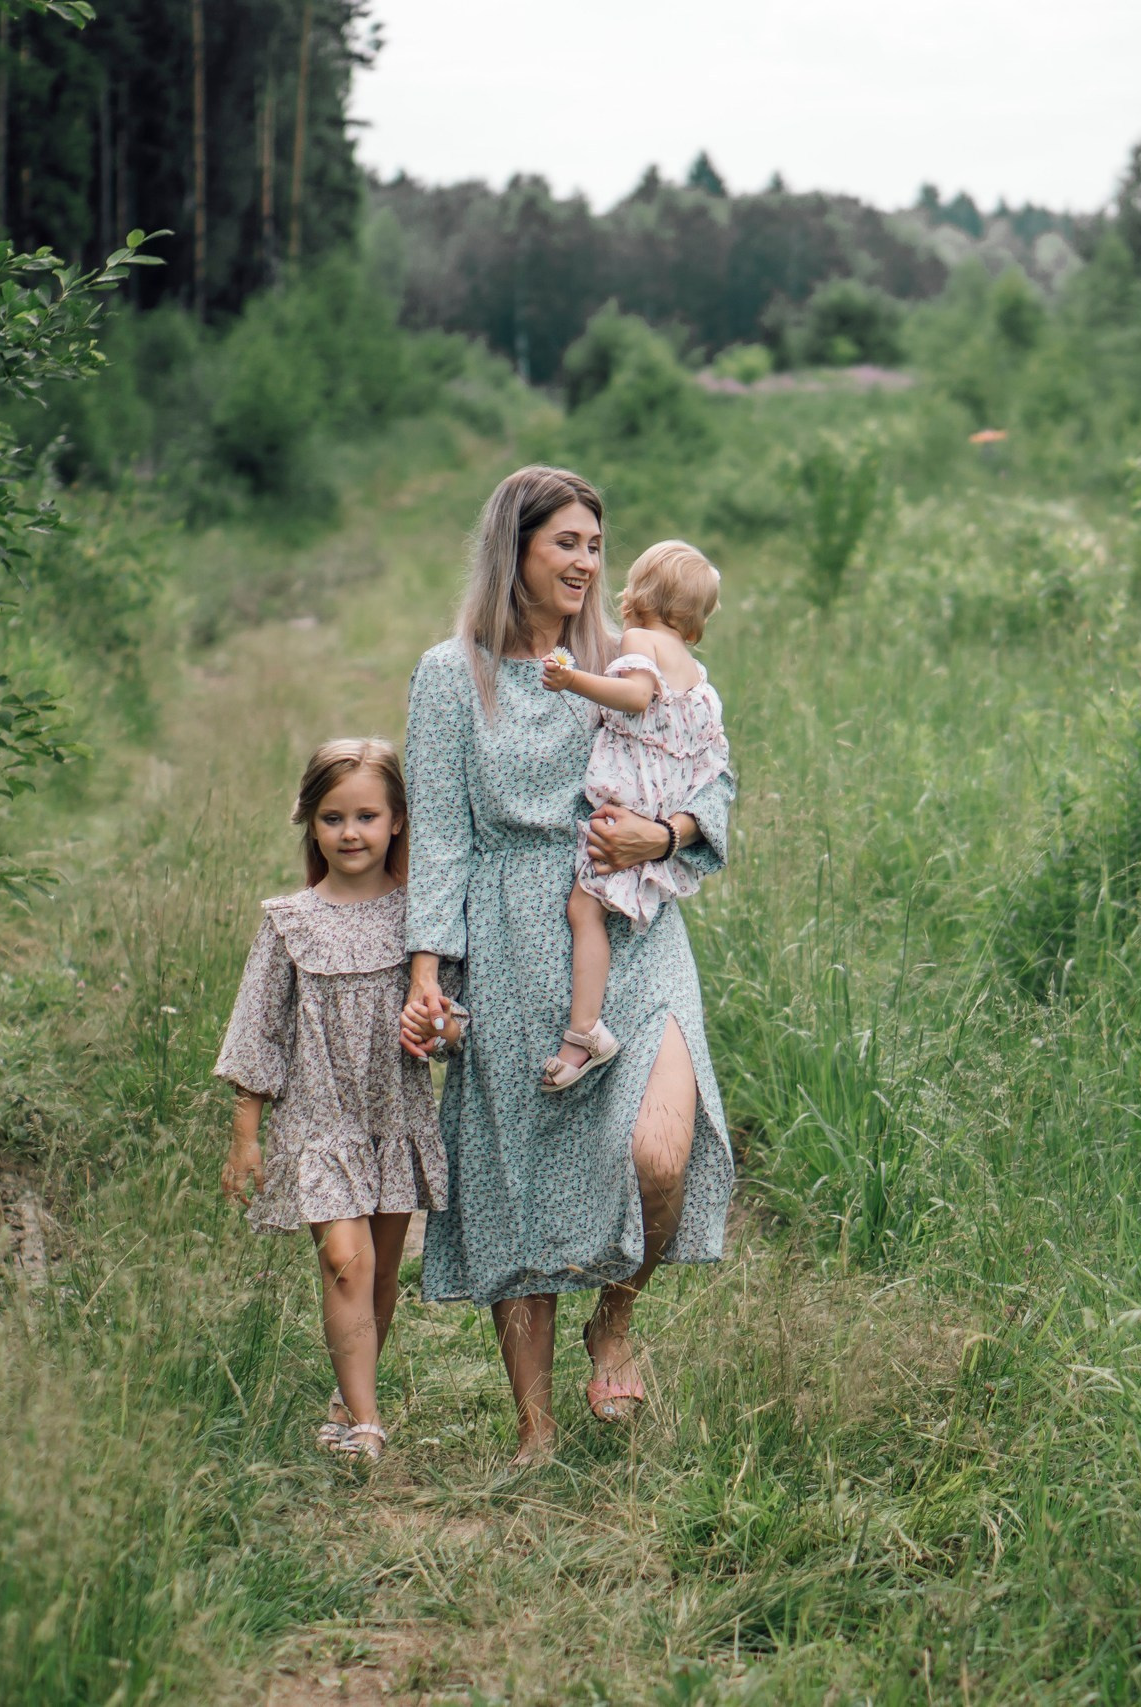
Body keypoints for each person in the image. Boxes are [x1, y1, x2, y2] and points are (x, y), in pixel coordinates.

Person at [397, 466, 737, 1463]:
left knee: (660, 1153)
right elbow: (444, 837)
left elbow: (711, 777)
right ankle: (534, 1431)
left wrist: (666, 832)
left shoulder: (633, 653)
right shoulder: (448, 675)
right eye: (567, 544)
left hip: (631, 922)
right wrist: (429, 972)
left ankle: (617, 1318)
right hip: (508, 936)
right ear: (518, 550)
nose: (588, 562)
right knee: (519, 1186)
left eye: (597, 544)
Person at [216, 739, 447, 1463]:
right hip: (317, 1121)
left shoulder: (423, 921)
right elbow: (260, 1031)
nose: (351, 832)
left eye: (367, 816)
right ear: (310, 825)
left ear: (398, 821)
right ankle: (369, 1424)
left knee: (377, 1272)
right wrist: (245, 1135)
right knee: (344, 1262)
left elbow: (454, 1015)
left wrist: (438, 1023)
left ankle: (350, 1396)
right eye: (332, 817)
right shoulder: (290, 920)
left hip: (390, 1116)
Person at [534, 539, 731, 1091]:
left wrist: (572, 680)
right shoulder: (696, 674)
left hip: (629, 806)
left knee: (583, 908)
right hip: (663, 807)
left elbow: (636, 696)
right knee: (600, 908)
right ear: (695, 621)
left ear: (636, 594)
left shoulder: (640, 640)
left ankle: (585, 1031)